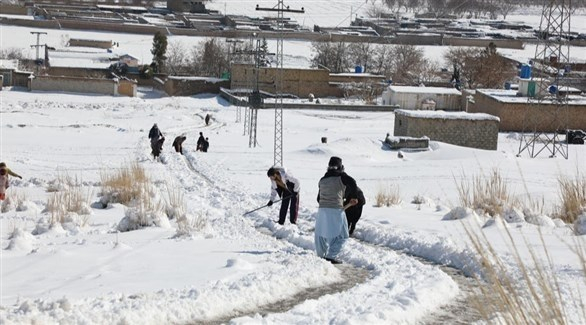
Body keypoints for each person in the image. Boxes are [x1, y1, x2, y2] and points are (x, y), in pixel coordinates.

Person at [315, 156, 358, 264]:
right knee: (342, 235)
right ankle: (330, 256)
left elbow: (318, 198)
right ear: (341, 167)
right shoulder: (341, 177)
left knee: (321, 234)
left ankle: (321, 255)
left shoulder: (322, 180)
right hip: (336, 209)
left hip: (322, 209)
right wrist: (354, 196)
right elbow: (353, 183)